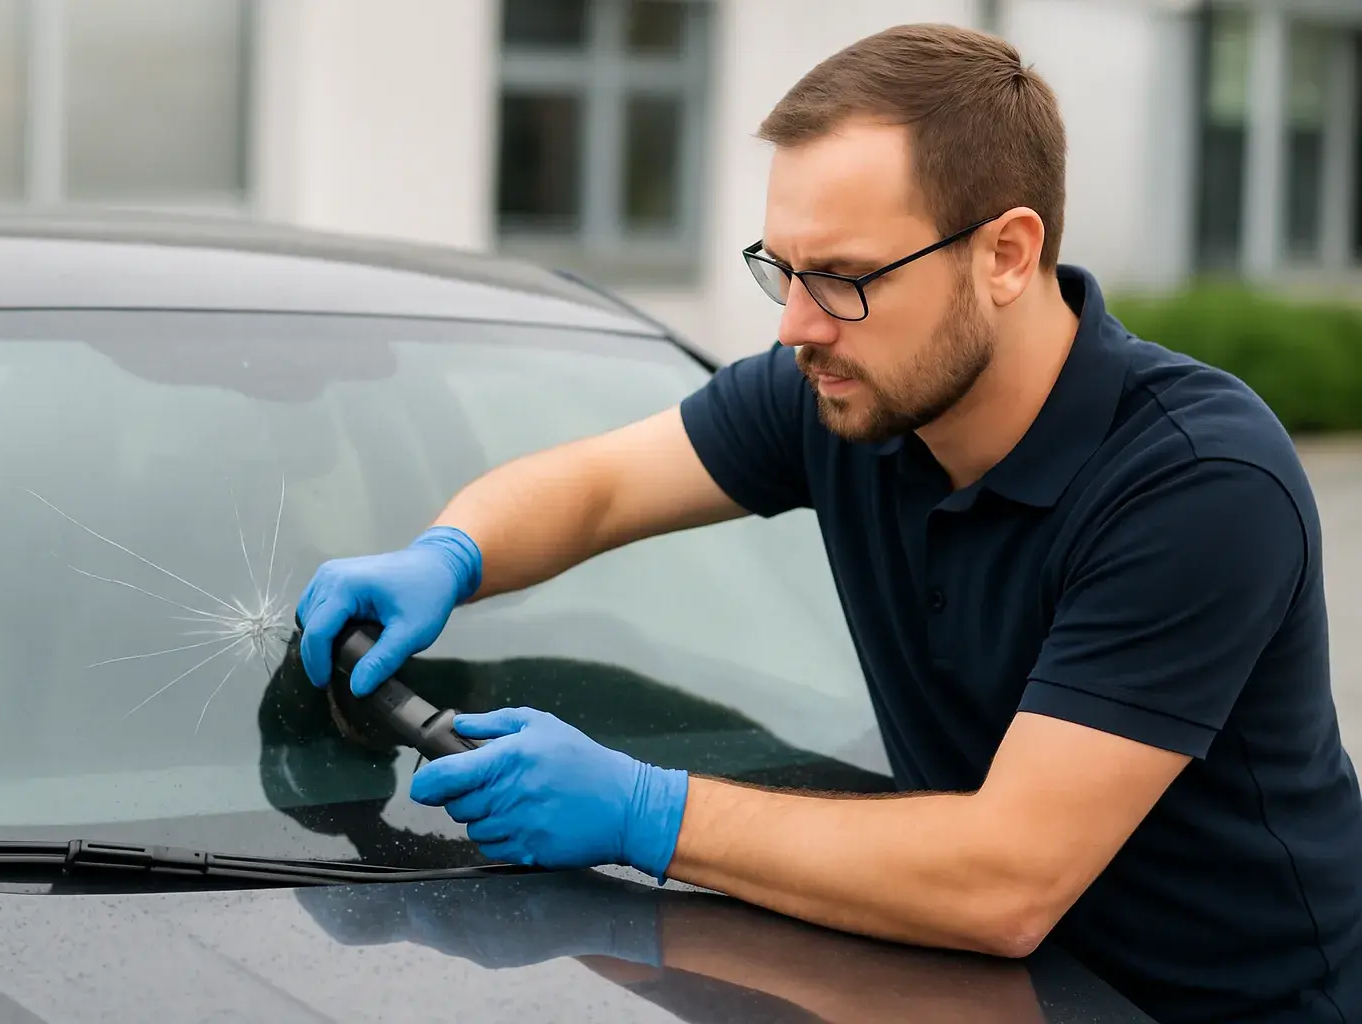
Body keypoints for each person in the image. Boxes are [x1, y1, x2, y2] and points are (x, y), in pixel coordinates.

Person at [294, 22, 1362, 1024]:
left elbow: (1008, 878)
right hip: (955, 992)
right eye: (784, 270)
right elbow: (601, 486)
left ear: (1005, 253)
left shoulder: (1195, 483)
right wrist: (451, 551)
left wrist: (645, 812)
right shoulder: (841, 388)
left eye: (845, 277)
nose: (798, 325)